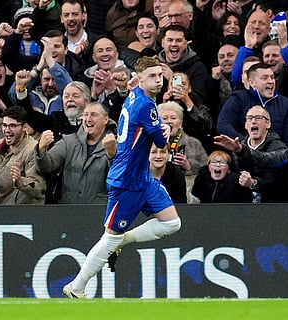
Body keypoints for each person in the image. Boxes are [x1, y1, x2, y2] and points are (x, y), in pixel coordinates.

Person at [63, 57, 181, 298]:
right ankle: (76, 287)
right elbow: (160, 142)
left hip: (141, 177)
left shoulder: (137, 96)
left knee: (172, 223)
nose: (158, 81)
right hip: (126, 180)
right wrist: (165, 131)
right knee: (109, 239)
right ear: (140, 79)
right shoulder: (145, 106)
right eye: (152, 76)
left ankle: (123, 240)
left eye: (160, 75)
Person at [34, 102, 117, 204]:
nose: (88, 119)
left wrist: (112, 154)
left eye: (94, 115)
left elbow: (122, 177)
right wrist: (41, 149)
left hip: (100, 210)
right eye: (85, 114)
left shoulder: (117, 144)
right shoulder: (69, 141)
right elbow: (46, 166)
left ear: (106, 120)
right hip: (69, 210)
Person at [217, 63, 288, 146]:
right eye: (264, 78)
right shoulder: (239, 98)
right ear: (252, 83)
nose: (270, 81)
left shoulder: (286, 104)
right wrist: (246, 145)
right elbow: (223, 126)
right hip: (241, 153)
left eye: (272, 77)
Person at [0, 106, 46, 204]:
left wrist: (20, 181)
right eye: (4, 125)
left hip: (22, 213)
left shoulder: (33, 150)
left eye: (12, 126)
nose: (7, 130)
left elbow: (39, 189)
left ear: (25, 127)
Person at [235, 105, 288, 203]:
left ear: (268, 124)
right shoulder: (238, 147)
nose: (253, 121)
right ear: (246, 125)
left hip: (273, 204)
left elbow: (274, 179)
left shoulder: (279, 148)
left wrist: (253, 182)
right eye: (250, 118)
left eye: (258, 118)